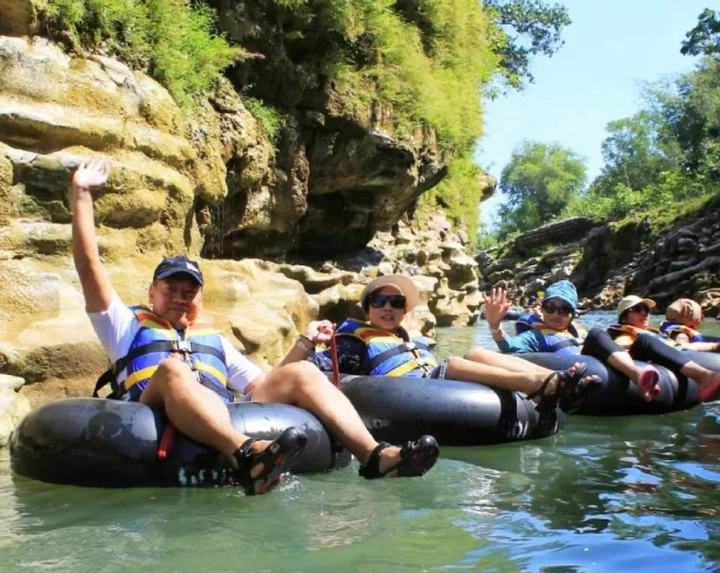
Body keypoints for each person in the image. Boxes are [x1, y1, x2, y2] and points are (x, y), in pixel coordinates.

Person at [71, 158, 439, 495]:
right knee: (172, 367)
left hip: (219, 412)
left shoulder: (210, 339)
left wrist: (305, 345)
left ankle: (374, 456)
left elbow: (263, 385)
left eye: (190, 291)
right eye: (171, 290)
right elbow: (89, 268)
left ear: (200, 297)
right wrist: (82, 194)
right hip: (150, 412)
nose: (181, 297)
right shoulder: (123, 325)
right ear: (152, 292)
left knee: (301, 372)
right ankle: (245, 457)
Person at [296, 274, 599, 413]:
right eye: (380, 301)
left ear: (404, 310)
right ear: (368, 308)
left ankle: (548, 383)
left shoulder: (409, 339)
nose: (388, 307)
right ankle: (540, 384)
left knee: (475, 352)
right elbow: (303, 375)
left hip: (433, 385)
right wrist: (308, 341)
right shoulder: (353, 343)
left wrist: (493, 329)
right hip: (407, 396)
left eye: (396, 302)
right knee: (453, 363)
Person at [485, 283, 720, 403]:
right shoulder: (536, 335)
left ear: (573, 314)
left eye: (564, 309)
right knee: (598, 334)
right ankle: (638, 376)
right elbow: (510, 348)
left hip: (604, 361)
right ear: (543, 309)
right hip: (582, 369)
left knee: (645, 338)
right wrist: (495, 327)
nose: (557, 314)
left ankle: (702, 375)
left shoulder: (578, 331)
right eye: (550, 308)